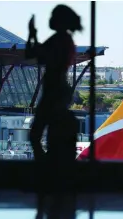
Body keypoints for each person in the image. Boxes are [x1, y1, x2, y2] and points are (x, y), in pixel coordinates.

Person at [26, 5, 82, 164]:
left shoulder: (59, 40)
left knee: (36, 135)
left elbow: (33, 54)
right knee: (46, 135)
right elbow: (38, 55)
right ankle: (48, 168)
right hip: (58, 91)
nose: (50, 19)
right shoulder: (64, 40)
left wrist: (32, 35)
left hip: (54, 91)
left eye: (53, 16)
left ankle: (45, 168)